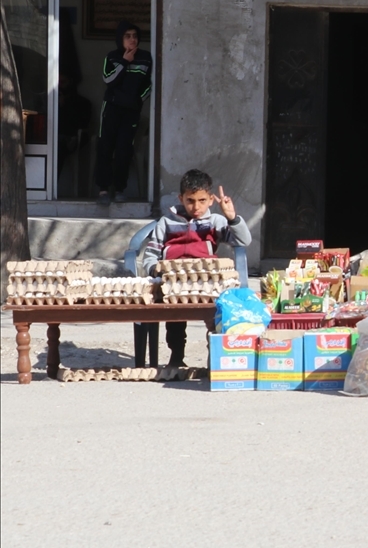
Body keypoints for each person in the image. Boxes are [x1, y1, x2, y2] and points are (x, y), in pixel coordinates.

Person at [141, 170, 252, 368]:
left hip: (206, 282)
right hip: (174, 282)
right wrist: (156, 272)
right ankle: (176, 356)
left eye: (202, 200)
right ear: (181, 198)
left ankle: (215, 359)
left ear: (211, 199)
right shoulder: (166, 223)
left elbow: (243, 240)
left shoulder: (215, 222)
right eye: (190, 200)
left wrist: (232, 218)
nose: (196, 207)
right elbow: (151, 254)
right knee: (175, 314)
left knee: (216, 315)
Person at [95, 21, 153, 205]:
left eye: (135, 36)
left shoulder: (145, 57)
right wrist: (124, 62)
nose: (132, 40)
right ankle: (103, 189)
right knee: (105, 147)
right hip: (112, 109)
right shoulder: (112, 57)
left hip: (131, 111)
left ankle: (119, 189)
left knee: (124, 150)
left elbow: (148, 84)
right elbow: (108, 79)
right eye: (127, 36)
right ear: (120, 38)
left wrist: (139, 101)